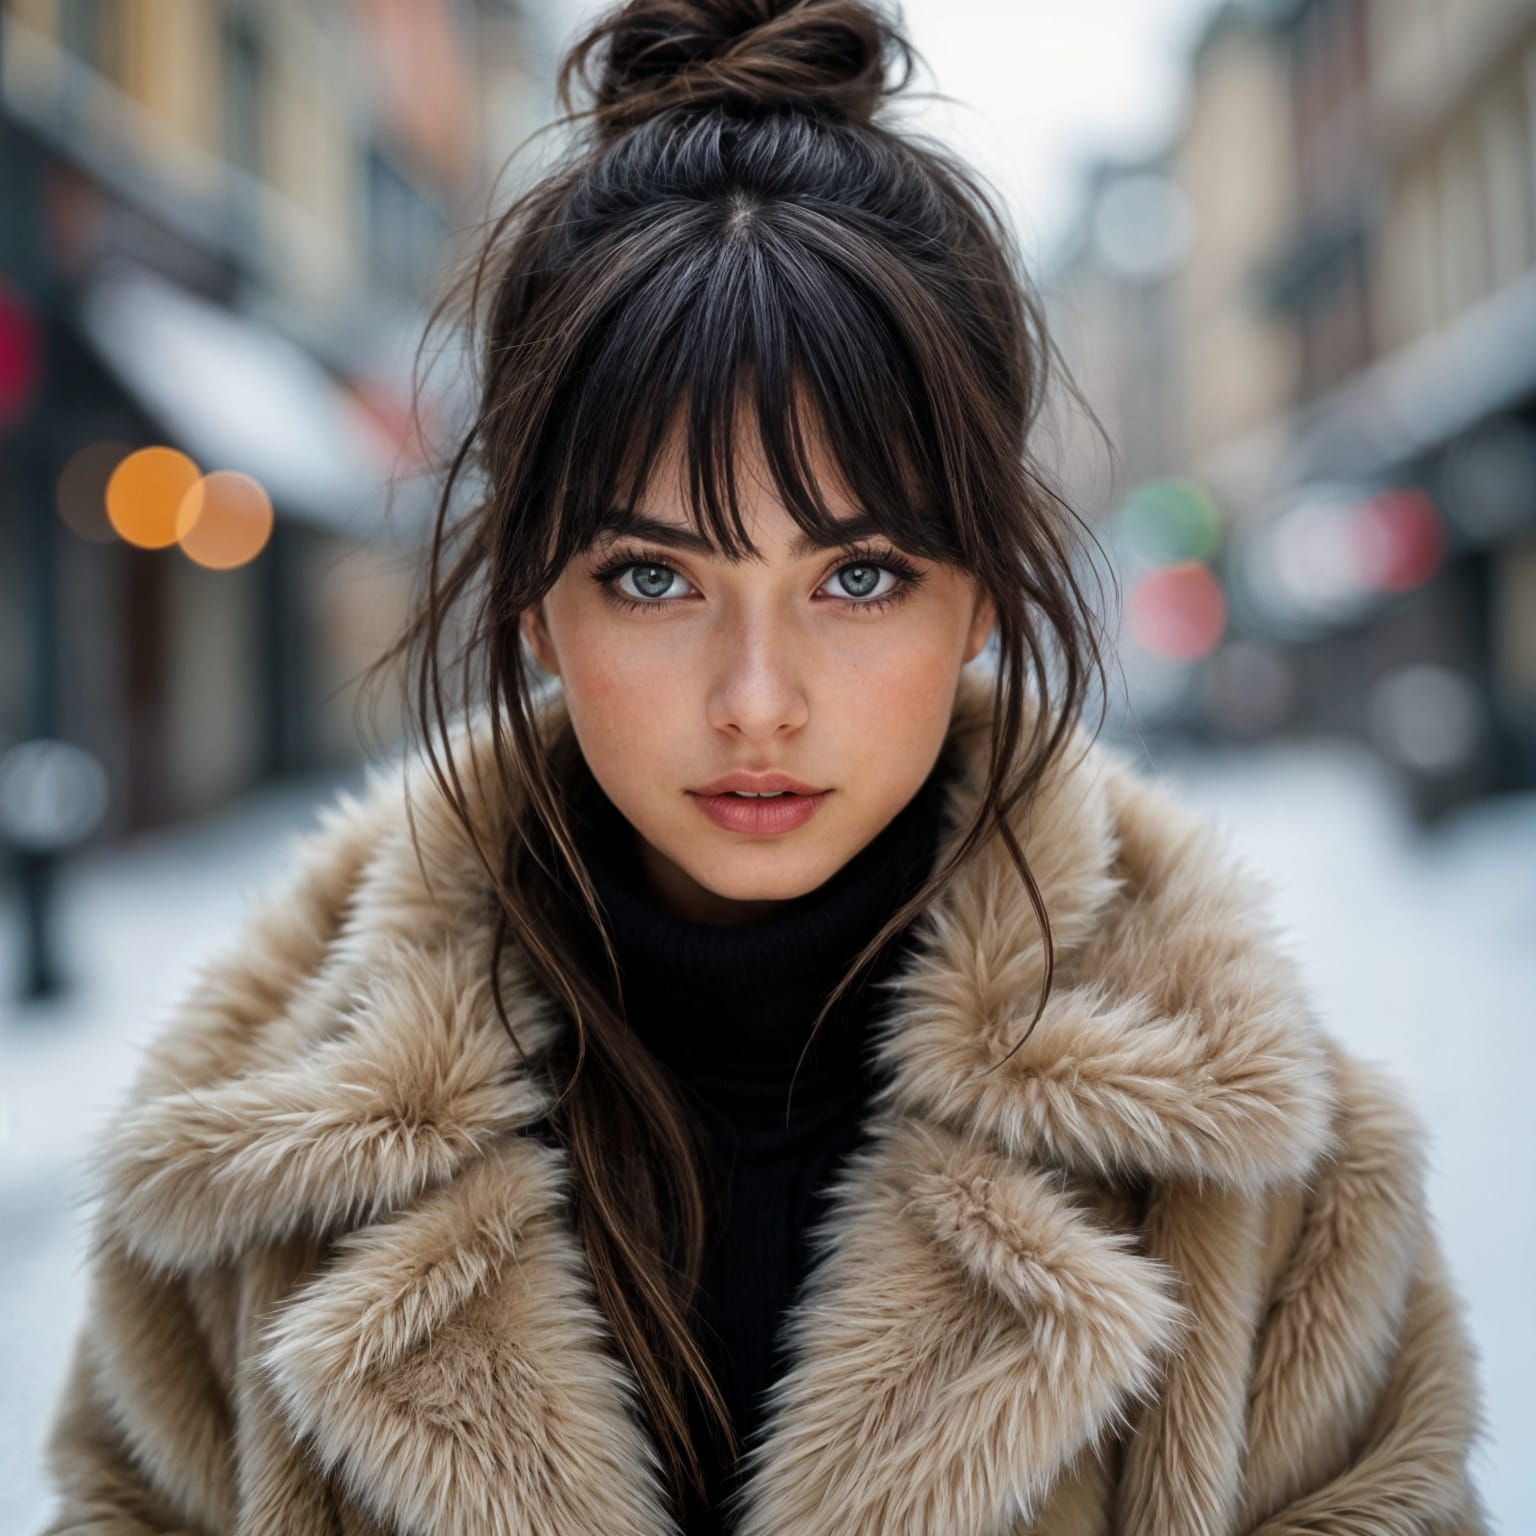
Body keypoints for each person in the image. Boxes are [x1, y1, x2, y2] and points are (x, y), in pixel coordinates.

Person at [38, 0, 1491, 1532]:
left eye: (857, 577)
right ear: (535, 597)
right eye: (653, 579)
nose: (756, 702)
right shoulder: (247, 1167)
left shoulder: (1264, 1175)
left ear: (984, 591)